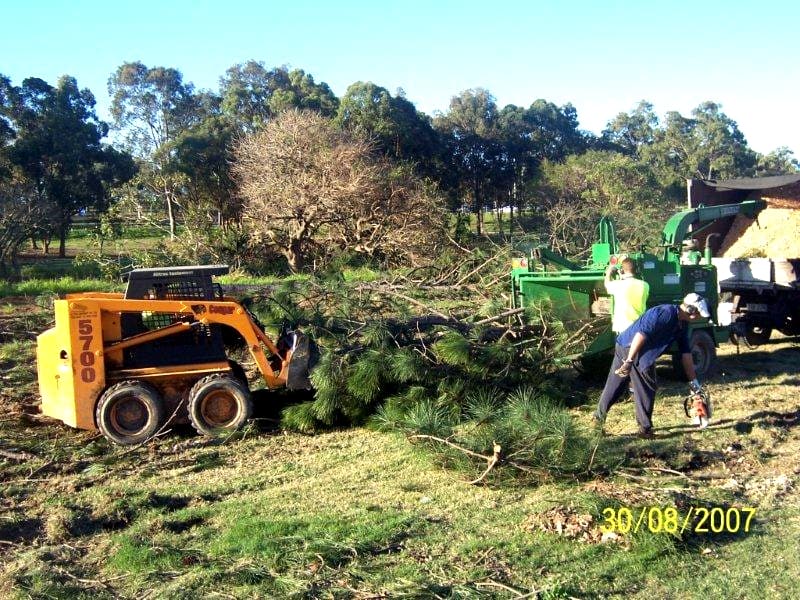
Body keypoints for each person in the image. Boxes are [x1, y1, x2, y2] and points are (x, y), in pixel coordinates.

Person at [594, 293, 710, 438]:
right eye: (699, 314)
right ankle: (645, 430)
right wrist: (629, 361)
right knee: (647, 387)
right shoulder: (665, 313)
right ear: (691, 311)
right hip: (632, 348)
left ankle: (597, 420)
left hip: (626, 345)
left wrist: (694, 384)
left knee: (615, 385)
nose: (699, 317)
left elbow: (686, 354)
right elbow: (640, 335)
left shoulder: (682, 324)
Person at [604, 257, 649, 334]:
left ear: (622, 270)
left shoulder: (618, 285)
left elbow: (607, 284)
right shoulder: (645, 285)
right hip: (639, 326)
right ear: (636, 269)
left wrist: (608, 272)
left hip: (623, 327)